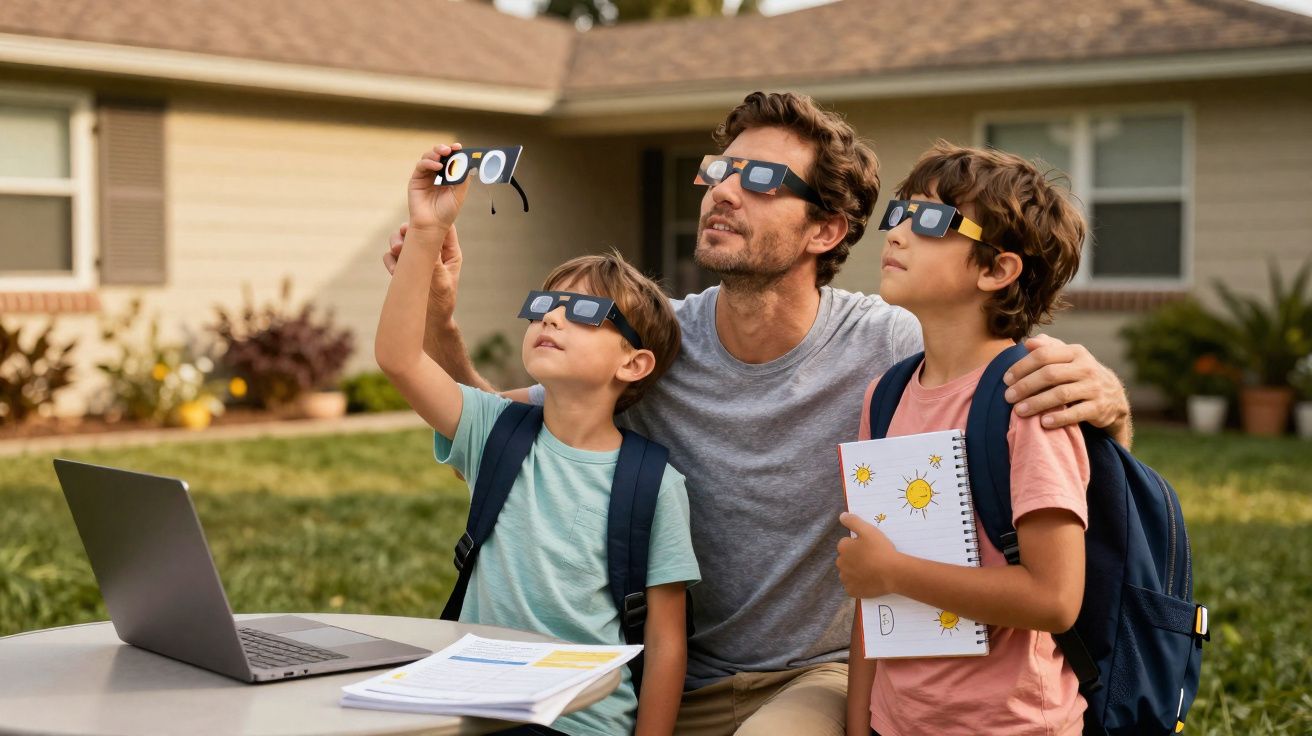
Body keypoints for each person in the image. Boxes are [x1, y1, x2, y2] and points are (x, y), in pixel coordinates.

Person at [384, 92, 1131, 735]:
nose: (723, 191)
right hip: (668, 675)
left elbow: (1038, 411)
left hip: (813, 678)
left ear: (826, 230)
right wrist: (443, 325)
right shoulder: (659, 345)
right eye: (719, 172)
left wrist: (1108, 397)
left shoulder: (894, 347)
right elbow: (502, 432)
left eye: (763, 180)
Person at [375, 143, 700, 736]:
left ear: (634, 363)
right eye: (546, 304)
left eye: (582, 311)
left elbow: (665, 640)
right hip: (473, 709)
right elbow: (399, 358)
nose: (551, 317)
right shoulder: (494, 431)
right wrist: (428, 230)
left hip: (582, 723)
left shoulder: (653, 484)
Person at [837, 142, 1092, 735]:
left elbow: (1054, 598)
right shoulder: (888, 394)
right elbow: (874, 594)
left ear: (996, 269)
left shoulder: (1027, 398)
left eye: (929, 221)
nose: (896, 233)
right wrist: (860, 721)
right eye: (898, 213)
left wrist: (893, 572)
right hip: (896, 721)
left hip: (1010, 724)